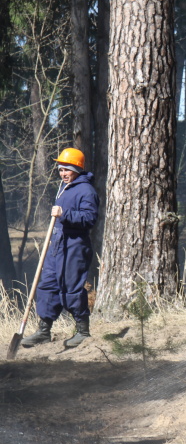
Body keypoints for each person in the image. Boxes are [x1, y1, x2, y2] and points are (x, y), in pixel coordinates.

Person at [22, 148, 99, 349]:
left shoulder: (86, 190)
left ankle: (83, 331)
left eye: (67, 170)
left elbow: (89, 218)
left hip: (75, 246)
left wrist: (65, 213)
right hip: (57, 244)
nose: (63, 174)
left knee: (71, 287)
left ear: (77, 169)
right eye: (60, 170)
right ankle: (43, 331)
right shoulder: (64, 187)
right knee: (47, 285)